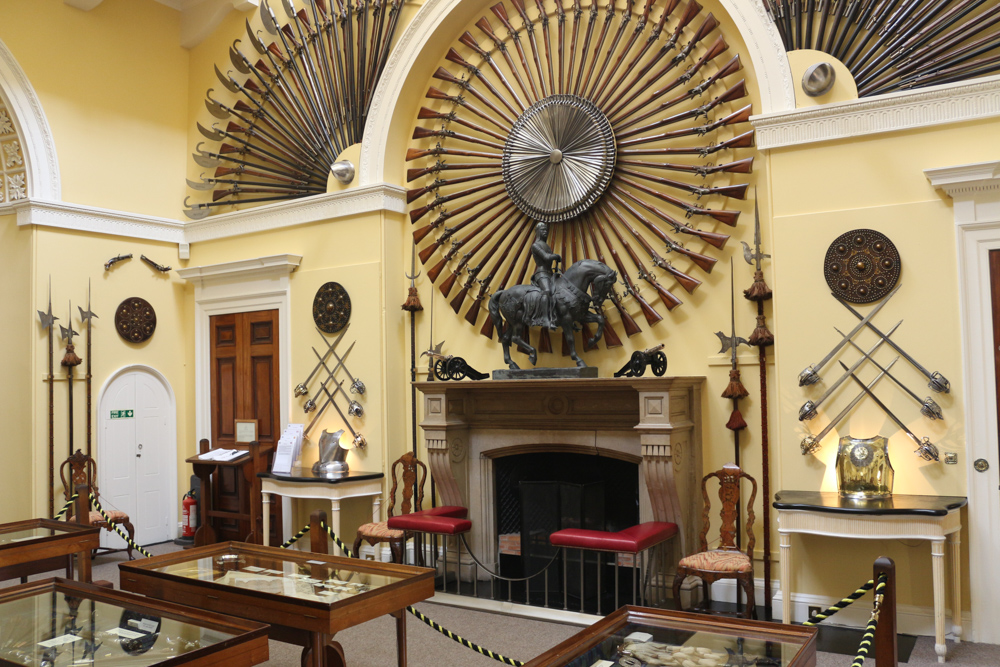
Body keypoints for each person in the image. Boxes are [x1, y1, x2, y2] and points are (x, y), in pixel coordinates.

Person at [529, 221, 561, 329]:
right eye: (543, 230)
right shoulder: (535, 245)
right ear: (537, 232)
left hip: (550, 273)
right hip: (541, 273)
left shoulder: (545, 245)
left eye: (546, 230)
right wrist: (555, 256)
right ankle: (545, 319)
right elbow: (546, 257)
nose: (545, 232)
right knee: (547, 291)